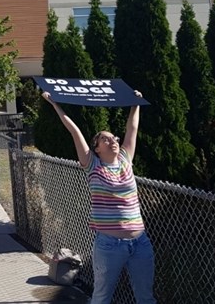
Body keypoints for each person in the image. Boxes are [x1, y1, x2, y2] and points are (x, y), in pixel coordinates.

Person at [42, 90, 156, 304]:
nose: (112, 140)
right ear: (96, 148)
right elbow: (74, 130)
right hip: (109, 245)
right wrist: (54, 104)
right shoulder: (92, 165)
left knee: (146, 297)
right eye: (105, 139)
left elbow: (132, 127)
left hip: (140, 243)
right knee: (103, 296)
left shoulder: (125, 159)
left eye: (114, 138)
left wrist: (135, 103)